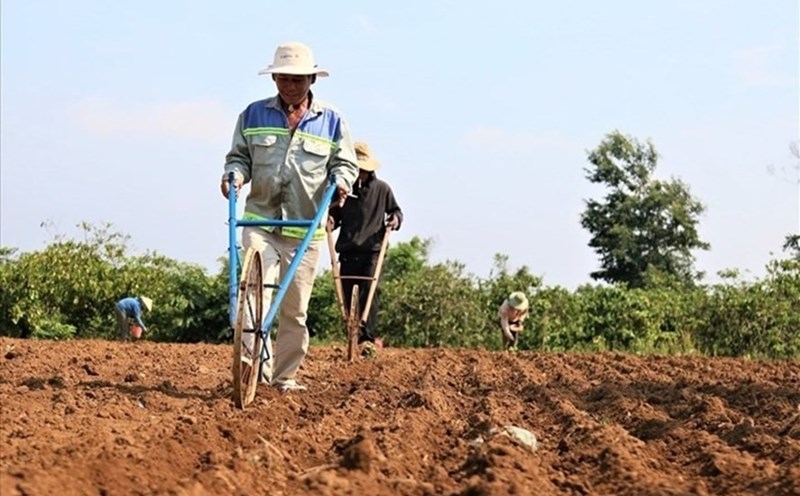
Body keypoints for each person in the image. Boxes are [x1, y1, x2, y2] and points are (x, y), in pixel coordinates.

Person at [220, 41, 358, 392]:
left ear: (312, 79)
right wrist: (234, 175)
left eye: (297, 79)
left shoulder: (331, 121)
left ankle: (284, 377)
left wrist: (340, 182)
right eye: (283, 78)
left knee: (294, 310)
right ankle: (252, 370)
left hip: (305, 228)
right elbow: (238, 157)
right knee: (254, 296)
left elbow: (345, 164)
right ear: (274, 78)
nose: (290, 86)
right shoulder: (252, 115)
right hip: (260, 221)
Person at [328, 142, 403, 357]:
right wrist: (331, 220)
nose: (360, 173)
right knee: (346, 292)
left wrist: (394, 220)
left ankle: (367, 338)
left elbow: (396, 211)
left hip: (373, 250)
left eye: (363, 169)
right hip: (348, 250)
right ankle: (352, 333)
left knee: (370, 290)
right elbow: (336, 215)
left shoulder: (382, 190)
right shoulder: (344, 191)